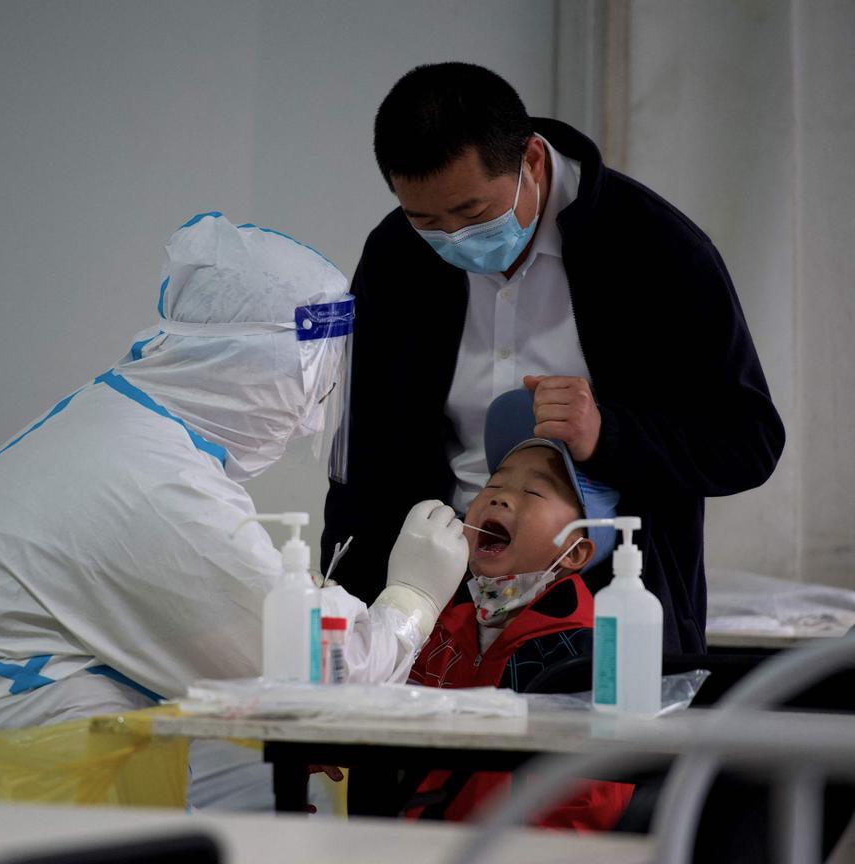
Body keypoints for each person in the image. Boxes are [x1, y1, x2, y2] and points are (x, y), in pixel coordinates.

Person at [0, 212, 469, 805]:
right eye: (318, 376)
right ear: (264, 365)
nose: (322, 400)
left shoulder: (125, 428)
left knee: (266, 785)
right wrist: (410, 600)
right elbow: (330, 687)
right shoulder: (154, 482)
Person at [321, 62, 785, 654]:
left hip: (610, 612)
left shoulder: (656, 249)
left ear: (532, 162)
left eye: (472, 214)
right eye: (428, 222)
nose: (453, 239)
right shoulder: (397, 254)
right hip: (435, 604)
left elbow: (748, 442)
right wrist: (347, 615)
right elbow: (363, 455)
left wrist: (607, 435)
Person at [400, 388, 633, 830]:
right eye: (494, 484)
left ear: (577, 552)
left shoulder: (585, 655)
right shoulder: (437, 623)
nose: (499, 498)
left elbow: (590, 801)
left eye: (532, 491)